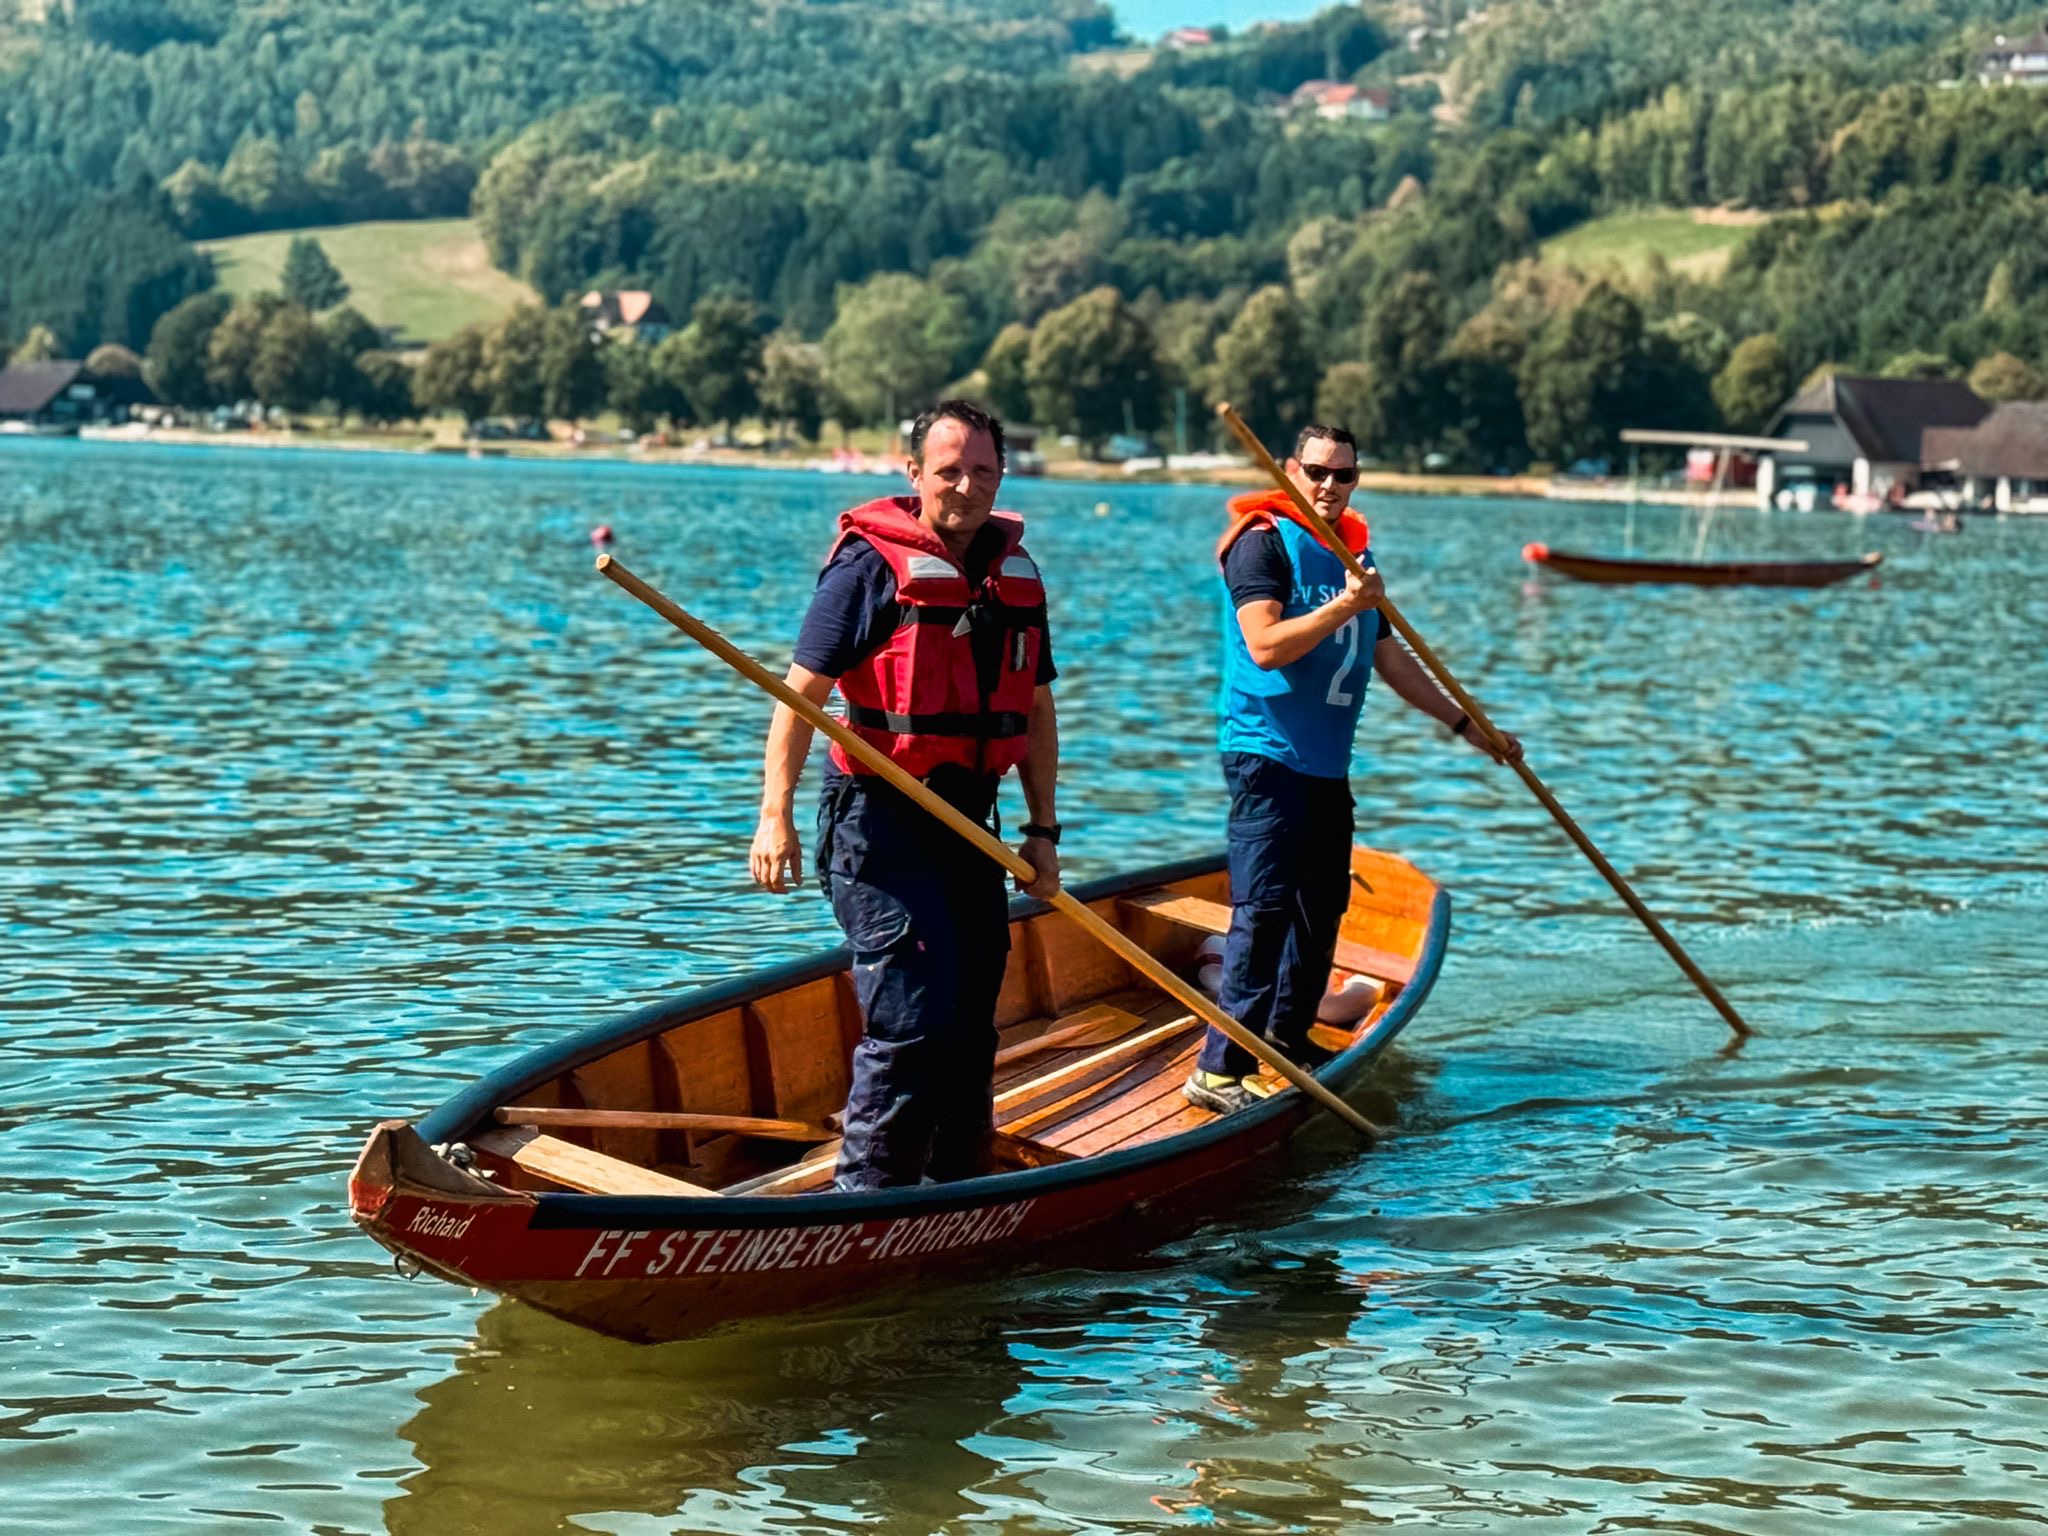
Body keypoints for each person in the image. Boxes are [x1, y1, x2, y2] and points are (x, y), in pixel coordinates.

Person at [750, 400, 1061, 1189]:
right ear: (914, 474)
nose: (966, 486)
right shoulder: (868, 570)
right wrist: (773, 816)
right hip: (878, 825)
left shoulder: (1014, 578)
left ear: (1001, 475)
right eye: (949, 470)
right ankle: (868, 1203)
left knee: (967, 1022)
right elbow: (800, 696)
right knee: (910, 1017)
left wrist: (1043, 833)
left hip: (970, 824)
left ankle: (959, 1189)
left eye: (982, 470)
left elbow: (1035, 707)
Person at [1185, 423, 1523, 1114]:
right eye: (1316, 471)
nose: (1328, 486)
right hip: (1265, 753)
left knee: (1321, 909)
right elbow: (1266, 645)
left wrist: (1468, 725)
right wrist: (1345, 602)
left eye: (1344, 475)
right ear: (1289, 470)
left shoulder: (1353, 554)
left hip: (1325, 765)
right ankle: (1220, 1068)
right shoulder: (1263, 544)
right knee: (1265, 911)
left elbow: (1388, 657)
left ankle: (1289, 1033)